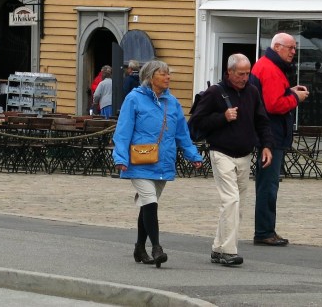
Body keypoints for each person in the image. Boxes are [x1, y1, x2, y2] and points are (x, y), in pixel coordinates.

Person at [112, 59, 203, 267]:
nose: (168, 77)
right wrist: (120, 157)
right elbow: (123, 130)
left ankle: (139, 247)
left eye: (168, 73)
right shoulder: (134, 99)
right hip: (139, 161)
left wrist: (193, 155)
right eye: (163, 74)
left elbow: (182, 133)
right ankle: (156, 248)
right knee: (150, 202)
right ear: (150, 77)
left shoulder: (172, 102)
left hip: (163, 162)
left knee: (147, 205)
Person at [190, 54, 274, 266]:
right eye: (241, 74)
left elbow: (262, 121)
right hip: (221, 153)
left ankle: (218, 248)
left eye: (247, 73)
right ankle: (229, 251)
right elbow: (196, 122)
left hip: (245, 154)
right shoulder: (214, 93)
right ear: (229, 72)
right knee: (231, 200)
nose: (245, 78)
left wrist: (266, 146)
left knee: (236, 205)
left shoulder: (252, 92)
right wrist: (222, 117)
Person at [251, 32, 309, 247]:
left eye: (294, 48)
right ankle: (264, 231)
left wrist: (289, 91)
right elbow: (273, 105)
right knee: (268, 185)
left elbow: (271, 97)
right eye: (290, 47)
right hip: (270, 135)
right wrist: (295, 97)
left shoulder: (267, 65)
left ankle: (265, 229)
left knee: (267, 184)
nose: (293, 52)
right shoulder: (270, 69)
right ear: (277, 47)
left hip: (269, 133)